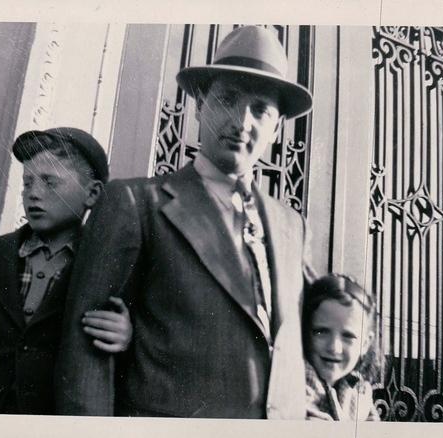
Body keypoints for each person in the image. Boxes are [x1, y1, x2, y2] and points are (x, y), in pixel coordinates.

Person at [54, 25, 315, 418]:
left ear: (276, 128)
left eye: (261, 109)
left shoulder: (292, 227)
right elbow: (85, 358)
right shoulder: (134, 203)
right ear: (199, 107)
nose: (242, 122)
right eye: (227, 100)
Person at [0, 127, 132, 414]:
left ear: (93, 194)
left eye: (50, 183)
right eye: (27, 183)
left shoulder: (109, 268)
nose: (34, 194)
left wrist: (127, 337)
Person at [303, 274, 381, 421]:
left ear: (365, 344)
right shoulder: (293, 392)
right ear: (306, 333)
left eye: (348, 336)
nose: (334, 348)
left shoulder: (360, 394)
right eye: (321, 332)